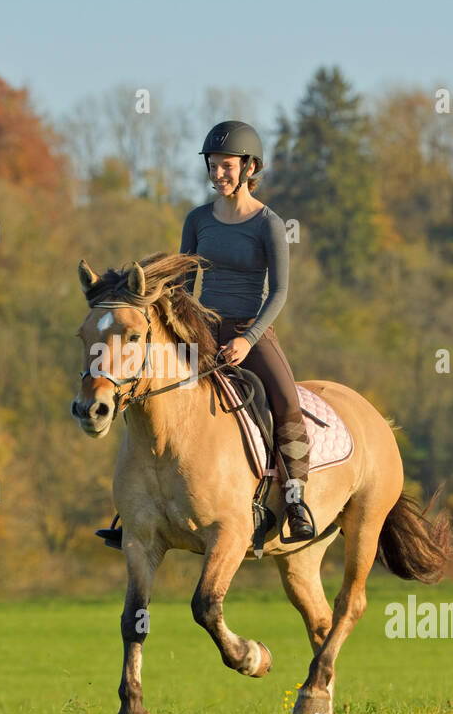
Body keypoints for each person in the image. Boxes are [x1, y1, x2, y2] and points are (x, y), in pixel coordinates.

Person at [93, 120, 316, 549]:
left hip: (248, 331)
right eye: (212, 166)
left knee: (286, 401)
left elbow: (281, 291)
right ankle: (137, 510)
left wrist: (249, 339)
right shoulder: (197, 219)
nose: (218, 174)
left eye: (226, 166)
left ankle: (294, 500)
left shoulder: (269, 224)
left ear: (250, 167)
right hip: (199, 330)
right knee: (149, 394)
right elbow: (182, 285)